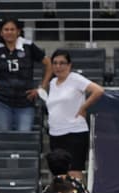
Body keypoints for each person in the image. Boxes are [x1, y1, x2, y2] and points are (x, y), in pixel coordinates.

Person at [44, 50, 103, 182]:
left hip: (74, 132)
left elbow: (98, 90)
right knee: (59, 174)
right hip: (55, 133)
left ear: (69, 65)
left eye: (62, 63)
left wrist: (83, 107)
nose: (58, 66)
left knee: (74, 171)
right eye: (55, 63)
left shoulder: (75, 79)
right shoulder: (52, 83)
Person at [0, 17, 49, 132]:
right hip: (2, 102)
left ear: (18, 31)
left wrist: (41, 88)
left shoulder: (28, 46)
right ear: (1, 33)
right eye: (6, 29)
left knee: (23, 137)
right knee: (4, 137)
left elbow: (49, 63)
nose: (9, 32)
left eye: (12, 29)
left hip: (25, 102)